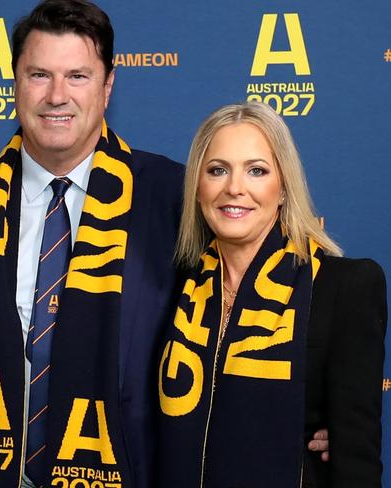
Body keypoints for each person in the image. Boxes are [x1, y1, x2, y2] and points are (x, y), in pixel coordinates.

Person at [0, 1, 184, 486]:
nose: (57, 96)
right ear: (15, 83)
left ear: (108, 87)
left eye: (78, 77)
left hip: (126, 472)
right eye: (39, 75)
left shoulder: (171, 196)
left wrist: (310, 407)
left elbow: (231, 312)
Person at [157, 101, 386, 487]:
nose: (234, 188)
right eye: (217, 170)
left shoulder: (345, 286)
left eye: (256, 171)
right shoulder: (172, 285)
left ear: (283, 189)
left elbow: (356, 462)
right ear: (197, 188)